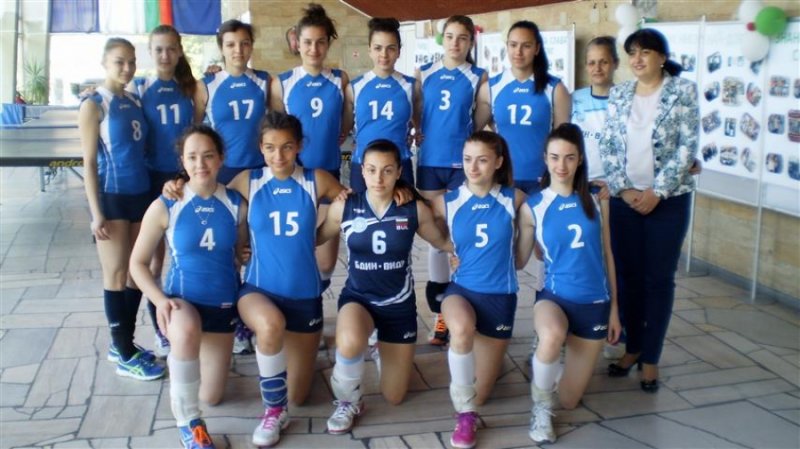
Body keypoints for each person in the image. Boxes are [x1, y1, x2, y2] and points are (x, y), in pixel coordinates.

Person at [316, 139, 452, 434]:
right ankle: (348, 401)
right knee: (349, 340)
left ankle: (381, 343)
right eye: (372, 170)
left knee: (395, 396)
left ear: (399, 172)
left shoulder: (413, 208)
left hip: (398, 305)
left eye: (387, 170)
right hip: (359, 299)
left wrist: (467, 253)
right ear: (361, 171)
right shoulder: (345, 206)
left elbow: (443, 242)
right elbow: (315, 238)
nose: (379, 178)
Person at [130, 125, 248, 449]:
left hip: (222, 307)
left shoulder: (237, 204)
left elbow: (240, 253)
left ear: (221, 158)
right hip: (182, 302)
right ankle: (190, 424)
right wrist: (159, 300)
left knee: (212, 396)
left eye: (208, 156)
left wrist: (246, 253)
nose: (200, 164)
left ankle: (189, 358)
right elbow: (137, 263)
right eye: (192, 157)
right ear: (182, 161)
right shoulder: (167, 204)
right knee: (184, 330)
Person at [600, 28, 699, 393]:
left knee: (658, 280)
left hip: (668, 202)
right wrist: (625, 190)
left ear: (661, 56)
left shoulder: (683, 91)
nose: (637, 59)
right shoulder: (620, 93)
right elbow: (609, 145)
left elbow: (687, 147)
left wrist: (657, 192)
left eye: (644, 52)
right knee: (628, 278)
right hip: (625, 201)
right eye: (632, 53)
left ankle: (651, 358)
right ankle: (633, 348)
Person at [516, 123, 621, 444]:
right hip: (555, 299)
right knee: (551, 335)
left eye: (569, 157)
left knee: (570, 400)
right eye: (554, 157)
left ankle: (545, 365)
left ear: (580, 160)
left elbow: (608, 253)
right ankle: (540, 407)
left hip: (594, 304)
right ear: (545, 159)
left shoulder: (598, 198)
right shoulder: (533, 206)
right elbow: (518, 261)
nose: (561, 165)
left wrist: (614, 310)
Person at [78, 37, 164, 381]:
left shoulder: (134, 99)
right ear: (104, 62)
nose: (127, 68)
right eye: (119, 61)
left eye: (131, 61)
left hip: (140, 195)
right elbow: (88, 163)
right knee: (115, 274)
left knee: (134, 273)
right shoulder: (94, 104)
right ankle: (124, 353)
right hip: (112, 197)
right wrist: (96, 213)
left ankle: (123, 344)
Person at [439, 131, 525, 449]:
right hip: (462, 291)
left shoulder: (515, 199)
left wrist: (595, 190)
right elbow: (414, 216)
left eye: (482, 160)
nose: (473, 168)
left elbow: (557, 197)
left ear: (498, 162)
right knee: (462, 330)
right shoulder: (448, 200)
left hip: (501, 297)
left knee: (484, 393)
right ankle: (465, 415)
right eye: (467, 159)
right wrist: (446, 247)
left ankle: (481, 354)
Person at [415, 15, 487, 347]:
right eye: (450, 36)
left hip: (462, 166)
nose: (455, 43)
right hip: (430, 162)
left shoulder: (477, 76)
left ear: (471, 42)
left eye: (462, 38)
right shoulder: (425, 72)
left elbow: (480, 118)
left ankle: (464, 305)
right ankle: (440, 314)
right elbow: (416, 110)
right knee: (435, 235)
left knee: (461, 233)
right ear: (441, 39)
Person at [133, 24, 205, 358]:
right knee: (155, 260)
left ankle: (202, 315)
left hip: (185, 177)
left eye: (171, 49)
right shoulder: (139, 88)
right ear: (151, 52)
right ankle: (161, 328)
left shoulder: (192, 88)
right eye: (159, 49)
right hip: (153, 178)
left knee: (192, 248)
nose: (165, 55)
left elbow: (199, 128)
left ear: (179, 51)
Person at [270, 3, 351, 293]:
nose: (313, 49)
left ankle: (313, 298)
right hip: (294, 180)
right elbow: (277, 130)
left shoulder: (340, 80)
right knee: (296, 253)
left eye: (320, 42)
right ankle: (304, 307)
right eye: (307, 42)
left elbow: (346, 122)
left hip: (329, 177)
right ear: (297, 42)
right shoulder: (282, 83)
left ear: (328, 43)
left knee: (326, 261)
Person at [475, 20, 571, 195]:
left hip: (542, 179)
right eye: (513, 45)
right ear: (507, 46)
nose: (518, 52)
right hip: (502, 178)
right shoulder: (490, 88)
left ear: (537, 48)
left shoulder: (555, 89)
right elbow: (472, 131)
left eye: (526, 46)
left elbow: (563, 142)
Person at [345, 17, 418, 193]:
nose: (384, 55)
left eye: (390, 48)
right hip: (363, 165)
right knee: (361, 211)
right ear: (369, 50)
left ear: (399, 51)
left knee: (404, 210)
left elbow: (420, 121)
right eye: (378, 48)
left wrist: (416, 134)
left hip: (399, 164)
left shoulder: (411, 86)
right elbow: (345, 128)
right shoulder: (354, 87)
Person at [196, 19, 269, 184]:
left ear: (252, 45)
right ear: (221, 48)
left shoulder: (265, 81)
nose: (238, 50)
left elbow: (278, 124)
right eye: (230, 45)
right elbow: (195, 131)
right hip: (223, 169)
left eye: (245, 43)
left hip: (261, 166)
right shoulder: (206, 85)